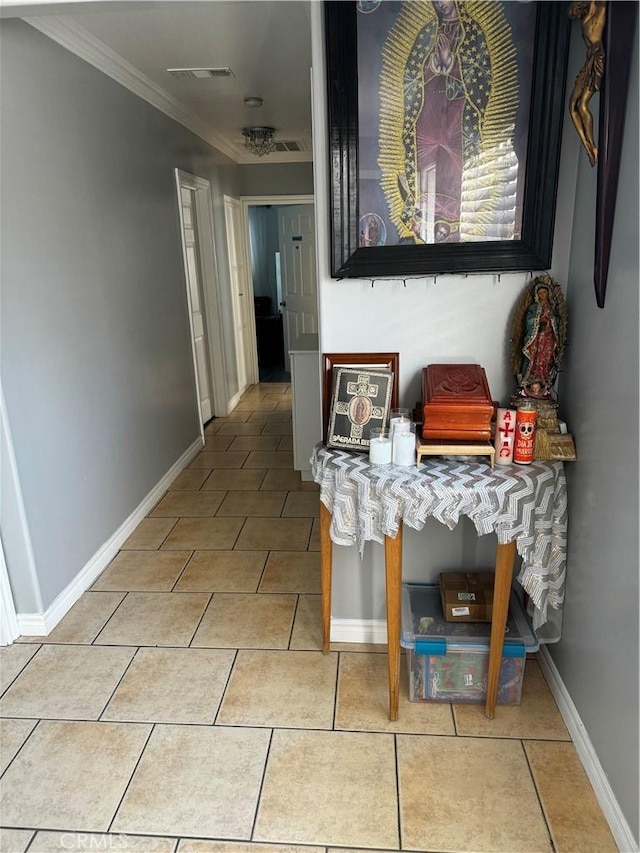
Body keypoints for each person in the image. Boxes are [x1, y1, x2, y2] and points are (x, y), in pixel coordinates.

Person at [568, 1, 606, 167]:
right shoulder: (587, 17)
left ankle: (593, 146)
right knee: (572, 105)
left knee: (583, 106)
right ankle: (587, 146)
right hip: (588, 62)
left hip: (597, 59)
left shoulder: (600, 10)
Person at [519, 284, 562, 394]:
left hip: (548, 337)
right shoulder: (534, 307)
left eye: (544, 292)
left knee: (546, 357)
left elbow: (557, 320)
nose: (542, 295)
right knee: (534, 356)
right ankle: (531, 377)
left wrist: (549, 321)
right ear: (536, 295)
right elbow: (529, 320)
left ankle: (544, 378)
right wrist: (537, 321)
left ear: (548, 293)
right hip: (536, 337)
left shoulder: (552, 308)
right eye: (540, 293)